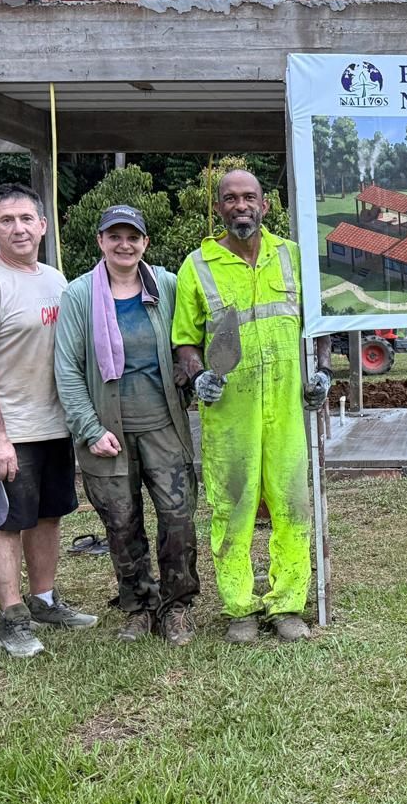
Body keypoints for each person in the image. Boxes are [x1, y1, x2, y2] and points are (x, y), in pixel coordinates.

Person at [171, 170, 332, 644]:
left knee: (292, 506)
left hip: (287, 408)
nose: (240, 206)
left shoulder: (293, 257)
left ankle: (287, 605)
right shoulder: (198, 266)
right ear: (218, 208)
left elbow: (318, 324)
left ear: (265, 204)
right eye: (230, 198)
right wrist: (198, 376)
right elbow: (185, 339)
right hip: (230, 413)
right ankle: (239, 608)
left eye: (249, 197)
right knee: (232, 509)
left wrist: (323, 371)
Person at [0, 183, 98, 658]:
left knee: (48, 516)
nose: (18, 228)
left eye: (26, 219)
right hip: (10, 431)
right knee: (7, 521)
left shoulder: (55, 279)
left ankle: (44, 600)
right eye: (7, 220)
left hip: (55, 424)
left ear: (42, 225)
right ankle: (11, 617)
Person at [55, 205, 199, 645]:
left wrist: (188, 371)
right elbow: (67, 368)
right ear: (100, 241)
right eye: (114, 236)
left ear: (145, 243)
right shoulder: (80, 295)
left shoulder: (167, 285)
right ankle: (139, 606)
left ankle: (177, 606)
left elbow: (191, 338)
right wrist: (89, 429)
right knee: (121, 524)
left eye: (132, 237)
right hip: (107, 432)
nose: (124, 245)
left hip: (164, 426)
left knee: (178, 519)